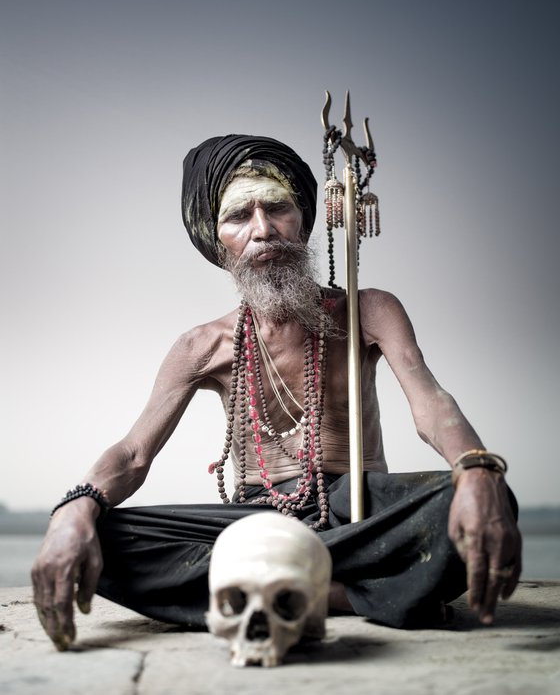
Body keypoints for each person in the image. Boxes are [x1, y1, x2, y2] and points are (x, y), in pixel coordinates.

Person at [32, 134, 521, 652]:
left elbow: (431, 403)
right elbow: (133, 453)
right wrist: (72, 512)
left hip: (356, 512)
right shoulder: (201, 345)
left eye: (278, 208)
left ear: (304, 220)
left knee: (484, 497)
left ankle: (289, 583)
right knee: (104, 538)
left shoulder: (368, 310)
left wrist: (475, 468)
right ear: (216, 240)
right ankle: (354, 592)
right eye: (239, 216)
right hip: (254, 523)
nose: (263, 230)